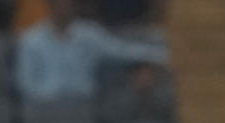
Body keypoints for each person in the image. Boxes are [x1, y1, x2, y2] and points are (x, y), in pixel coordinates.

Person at [15, 0, 169, 103]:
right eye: (59, 3)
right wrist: (49, 100)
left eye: (68, 3)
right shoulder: (30, 40)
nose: (63, 7)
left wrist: (158, 56)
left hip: (84, 106)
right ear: (50, 6)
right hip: (46, 108)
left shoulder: (89, 35)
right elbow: (25, 85)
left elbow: (122, 51)